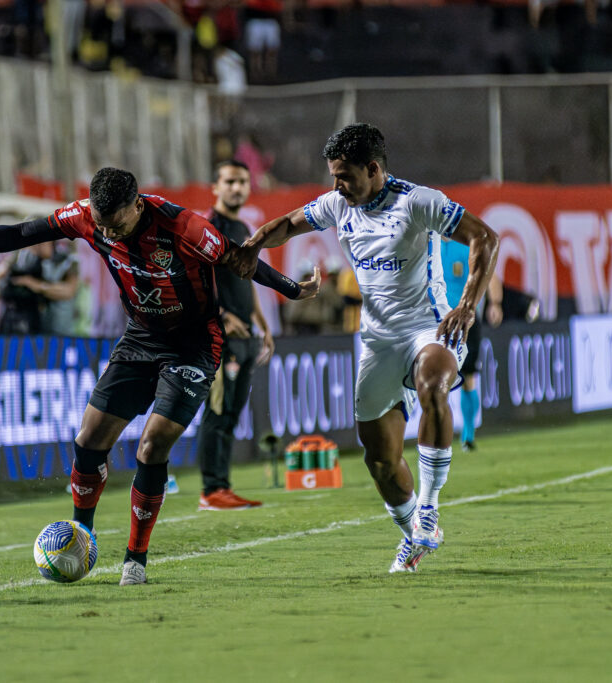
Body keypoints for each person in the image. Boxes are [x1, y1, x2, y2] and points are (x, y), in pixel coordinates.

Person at [0, 167, 319, 586]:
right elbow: (24, 233)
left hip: (194, 343)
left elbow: (240, 260)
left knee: (152, 445)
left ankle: (135, 560)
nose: (106, 234)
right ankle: (81, 536)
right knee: (89, 439)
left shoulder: (182, 225)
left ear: (136, 205)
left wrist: (292, 289)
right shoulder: (85, 216)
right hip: (140, 338)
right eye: (99, 223)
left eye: (113, 225)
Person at [228, 124, 499, 574]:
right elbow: (290, 224)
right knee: (380, 460)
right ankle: (415, 533)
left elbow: (484, 238)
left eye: (345, 176)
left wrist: (467, 306)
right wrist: (253, 245)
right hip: (377, 341)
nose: (337, 186)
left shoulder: (418, 202)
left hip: (428, 328)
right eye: (333, 176)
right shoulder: (339, 204)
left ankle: (429, 509)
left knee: (434, 383)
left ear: (373, 169)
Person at [195, 160, 274, 511]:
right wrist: (223, 316)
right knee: (217, 410)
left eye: (242, 182)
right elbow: (193, 280)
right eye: (229, 181)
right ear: (215, 187)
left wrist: (264, 323)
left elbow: (247, 278)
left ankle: (222, 487)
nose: (237, 188)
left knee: (231, 413)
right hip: (219, 337)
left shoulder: (242, 227)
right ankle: (212, 489)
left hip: (246, 336)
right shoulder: (207, 227)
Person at [440, 238, 503, 452]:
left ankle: (468, 433)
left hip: (466, 322)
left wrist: (495, 304)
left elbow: (490, 276)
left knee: (468, 377)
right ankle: (441, 434)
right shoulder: (427, 246)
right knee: (439, 380)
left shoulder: (465, 248)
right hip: (437, 323)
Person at [0, 242, 79, 336]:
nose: (36, 245)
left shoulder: (66, 260)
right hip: (23, 323)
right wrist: (5, 292)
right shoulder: (19, 257)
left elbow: (69, 291)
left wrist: (36, 285)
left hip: (59, 329)